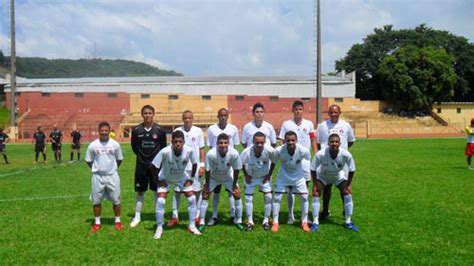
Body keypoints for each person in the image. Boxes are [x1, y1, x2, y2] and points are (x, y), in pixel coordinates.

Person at [150, 130, 201, 239]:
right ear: (171, 142)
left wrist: (191, 178)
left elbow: (195, 163)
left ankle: (192, 225)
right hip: (166, 178)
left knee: (192, 198)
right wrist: (158, 181)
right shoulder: (165, 152)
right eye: (176, 141)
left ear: (184, 142)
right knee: (160, 201)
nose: (178, 144)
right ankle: (159, 227)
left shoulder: (189, 151)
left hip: (181, 177)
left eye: (180, 141)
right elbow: (153, 166)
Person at [279, 100, 317, 224]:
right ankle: (290, 215)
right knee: (290, 189)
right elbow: (282, 141)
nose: (298, 111)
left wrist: (315, 153)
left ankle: (304, 217)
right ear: (293, 110)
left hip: (305, 162)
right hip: (290, 161)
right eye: (296, 109)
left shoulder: (309, 124)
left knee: (304, 189)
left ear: (303, 110)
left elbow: (312, 139)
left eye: (300, 109)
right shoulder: (286, 124)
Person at [310, 133, 358, 232]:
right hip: (323, 175)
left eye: (336, 142)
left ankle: (348, 222)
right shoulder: (321, 154)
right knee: (316, 193)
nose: (334, 143)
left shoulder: (346, 154)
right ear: (328, 143)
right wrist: (315, 184)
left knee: (347, 193)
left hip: (337, 175)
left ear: (340, 143)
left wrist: (348, 184)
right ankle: (315, 222)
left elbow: (352, 169)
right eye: (332, 142)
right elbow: (313, 169)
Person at [198, 133, 244, 232]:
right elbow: (207, 170)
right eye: (221, 143)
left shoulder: (234, 153)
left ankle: (238, 220)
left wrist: (234, 185)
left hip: (228, 176)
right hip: (214, 177)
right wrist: (206, 186)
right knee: (205, 195)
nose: (223, 145)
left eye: (225, 143)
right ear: (217, 144)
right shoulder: (211, 154)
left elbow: (236, 170)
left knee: (237, 194)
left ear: (229, 143)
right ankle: (202, 222)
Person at [316, 104, 356, 220]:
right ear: (328, 113)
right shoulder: (322, 126)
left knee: (345, 187)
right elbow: (318, 142)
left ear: (339, 113)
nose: (333, 114)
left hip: (341, 162)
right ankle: (325, 211)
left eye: (335, 112)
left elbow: (351, 141)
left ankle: (346, 210)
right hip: (326, 161)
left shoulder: (346, 125)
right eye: (331, 112)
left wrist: (341, 152)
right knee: (327, 188)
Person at [130, 105, 167, 228]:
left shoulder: (160, 130)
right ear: (142, 115)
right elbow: (135, 148)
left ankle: (158, 216)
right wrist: (143, 158)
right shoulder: (136, 130)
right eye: (145, 113)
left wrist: (156, 162)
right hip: (141, 166)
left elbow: (163, 148)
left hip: (155, 167)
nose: (148, 115)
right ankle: (137, 217)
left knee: (156, 192)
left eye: (150, 113)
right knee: (140, 192)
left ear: (153, 114)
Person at [85, 122, 124, 233]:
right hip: (98, 177)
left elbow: (119, 159)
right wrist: (97, 169)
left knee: (116, 200)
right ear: (99, 131)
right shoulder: (93, 145)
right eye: (102, 130)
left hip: (112, 176)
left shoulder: (115, 144)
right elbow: (88, 160)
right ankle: (97, 223)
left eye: (106, 130)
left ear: (109, 131)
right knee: (96, 201)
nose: (104, 132)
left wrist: (112, 169)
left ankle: (117, 221)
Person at [170, 110, 205, 226]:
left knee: (197, 191)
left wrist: (202, 165)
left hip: (194, 166)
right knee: (177, 191)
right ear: (182, 119)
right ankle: (175, 216)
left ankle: (197, 215)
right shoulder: (177, 131)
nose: (187, 120)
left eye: (189, 118)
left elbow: (202, 149)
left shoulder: (198, 131)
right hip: (181, 167)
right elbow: (172, 150)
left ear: (193, 118)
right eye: (185, 118)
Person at [206, 108, 240, 225]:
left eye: (225, 115)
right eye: (221, 115)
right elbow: (210, 147)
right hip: (216, 164)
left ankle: (233, 214)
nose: (223, 117)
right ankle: (214, 216)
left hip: (229, 163)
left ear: (228, 116)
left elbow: (235, 146)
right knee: (216, 191)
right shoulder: (211, 129)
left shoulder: (233, 128)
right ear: (218, 116)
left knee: (232, 191)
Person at [272, 131, 311, 233]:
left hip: (298, 177)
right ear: (284, 141)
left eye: (293, 140)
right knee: (277, 197)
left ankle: (304, 222)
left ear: (296, 140)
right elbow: (273, 162)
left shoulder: (303, 151)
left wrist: (307, 176)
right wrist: (268, 175)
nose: (290, 142)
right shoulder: (279, 150)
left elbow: (307, 162)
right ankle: (275, 222)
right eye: (288, 140)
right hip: (283, 176)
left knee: (304, 197)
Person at [240, 132, 276, 231]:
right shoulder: (246, 152)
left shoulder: (269, 150)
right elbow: (241, 164)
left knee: (268, 197)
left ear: (264, 142)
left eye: (261, 142)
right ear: (253, 142)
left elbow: (274, 161)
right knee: (248, 198)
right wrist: (246, 175)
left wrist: (269, 175)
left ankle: (265, 220)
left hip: (264, 177)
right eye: (257, 142)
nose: (259, 145)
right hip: (251, 177)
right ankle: (250, 221)